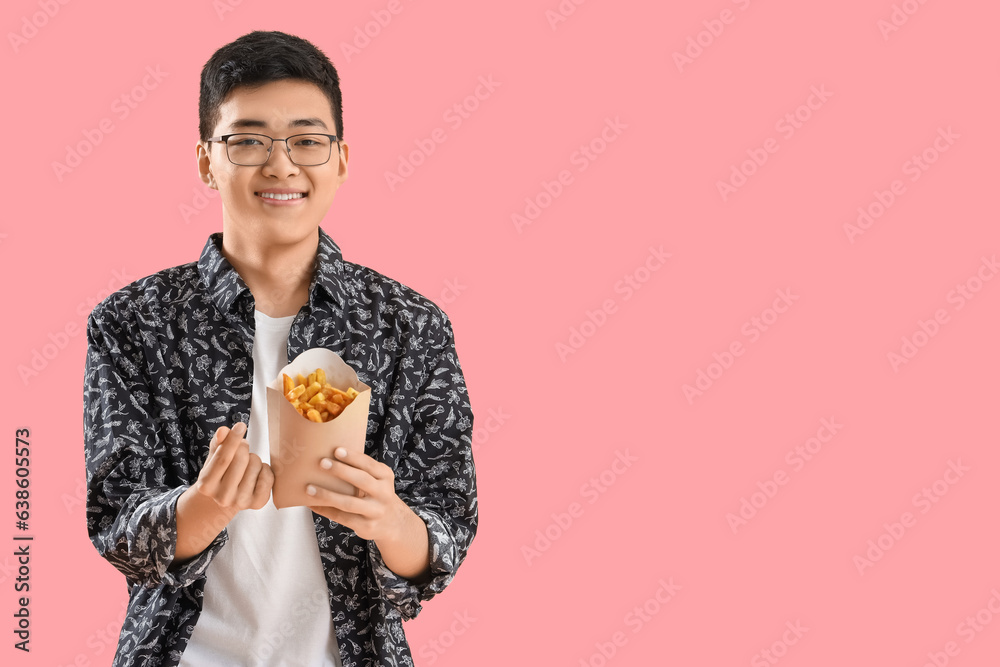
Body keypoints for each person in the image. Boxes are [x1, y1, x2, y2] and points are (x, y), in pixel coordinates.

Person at [82, 30, 477, 667]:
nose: (281, 165)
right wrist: (203, 508)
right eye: (248, 140)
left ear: (341, 158)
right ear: (208, 161)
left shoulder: (408, 324)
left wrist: (389, 520)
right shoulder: (134, 322)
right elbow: (116, 525)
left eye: (306, 139)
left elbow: (447, 529)